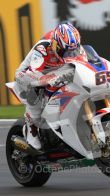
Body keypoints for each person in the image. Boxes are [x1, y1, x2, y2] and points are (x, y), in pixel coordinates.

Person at [15, 22, 81, 150]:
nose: (70, 54)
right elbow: (34, 74)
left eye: (73, 51)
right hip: (31, 73)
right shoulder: (43, 49)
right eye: (65, 51)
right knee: (35, 87)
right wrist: (49, 79)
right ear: (56, 45)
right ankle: (31, 127)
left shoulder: (72, 46)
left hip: (57, 70)